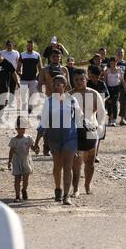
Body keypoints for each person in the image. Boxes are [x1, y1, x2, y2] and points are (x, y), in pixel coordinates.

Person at [33, 75, 83, 205]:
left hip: (70, 138)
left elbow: (79, 121)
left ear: (65, 86)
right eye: (54, 84)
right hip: (54, 138)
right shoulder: (49, 102)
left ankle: (67, 195)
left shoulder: (72, 101)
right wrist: (37, 141)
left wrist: (80, 143)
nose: (55, 86)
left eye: (58, 84)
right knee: (57, 166)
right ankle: (58, 189)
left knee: (68, 166)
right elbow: (43, 122)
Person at [70, 69, 106, 196]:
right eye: (76, 80)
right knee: (76, 161)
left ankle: (88, 184)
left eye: (81, 79)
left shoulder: (94, 94)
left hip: (91, 130)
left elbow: (102, 113)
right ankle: (75, 188)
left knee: (90, 161)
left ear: (86, 79)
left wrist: (101, 126)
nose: (79, 82)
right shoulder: (69, 95)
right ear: (73, 80)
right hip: (74, 131)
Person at [37, 49, 71, 156]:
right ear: (50, 57)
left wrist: (70, 97)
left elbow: (68, 85)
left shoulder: (64, 70)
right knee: (47, 124)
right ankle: (46, 147)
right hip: (49, 98)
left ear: (61, 57)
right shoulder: (44, 70)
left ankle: (60, 146)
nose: (56, 58)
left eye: (58, 56)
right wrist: (40, 96)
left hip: (62, 99)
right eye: (54, 56)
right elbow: (39, 84)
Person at [8, 117, 37, 203]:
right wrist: (9, 161)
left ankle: (24, 189)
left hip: (26, 160)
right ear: (16, 129)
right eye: (20, 128)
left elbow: (32, 147)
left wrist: (36, 149)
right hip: (16, 161)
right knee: (17, 178)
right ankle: (17, 196)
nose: (22, 130)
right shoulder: (13, 140)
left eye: (23, 128)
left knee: (25, 179)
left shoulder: (28, 138)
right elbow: (11, 151)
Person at [87, 65, 110, 163]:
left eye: (92, 75)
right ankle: (88, 153)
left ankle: (95, 154)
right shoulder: (87, 83)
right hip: (88, 112)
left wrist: (101, 100)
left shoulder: (102, 84)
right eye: (90, 75)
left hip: (99, 111)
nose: (90, 77)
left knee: (99, 133)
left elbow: (107, 95)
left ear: (97, 75)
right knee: (88, 133)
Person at [17, 40, 43, 113]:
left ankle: (30, 109)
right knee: (23, 96)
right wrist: (20, 75)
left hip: (33, 79)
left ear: (33, 46)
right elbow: (18, 68)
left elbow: (40, 68)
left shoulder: (37, 55)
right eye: (28, 45)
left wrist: (38, 78)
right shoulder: (22, 55)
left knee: (33, 95)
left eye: (31, 45)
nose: (30, 47)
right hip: (24, 79)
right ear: (26, 46)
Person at [105, 57, 126, 126]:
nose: (113, 64)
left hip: (116, 88)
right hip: (109, 88)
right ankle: (109, 118)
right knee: (109, 103)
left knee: (114, 103)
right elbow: (105, 81)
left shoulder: (119, 70)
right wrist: (105, 90)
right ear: (110, 63)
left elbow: (122, 80)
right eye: (111, 63)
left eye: (114, 63)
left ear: (116, 63)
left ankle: (114, 119)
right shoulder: (107, 70)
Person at [2, 40, 20, 106]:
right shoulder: (3, 52)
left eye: (10, 45)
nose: (9, 46)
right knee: (5, 87)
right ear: (6, 45)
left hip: (13, 72)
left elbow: (18, 62)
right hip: (4, 73)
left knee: (12, 87)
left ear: (13, 45)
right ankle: (5, 100)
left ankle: (11, 102)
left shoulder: (16, 53)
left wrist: (19, 71)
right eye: (8, 45)